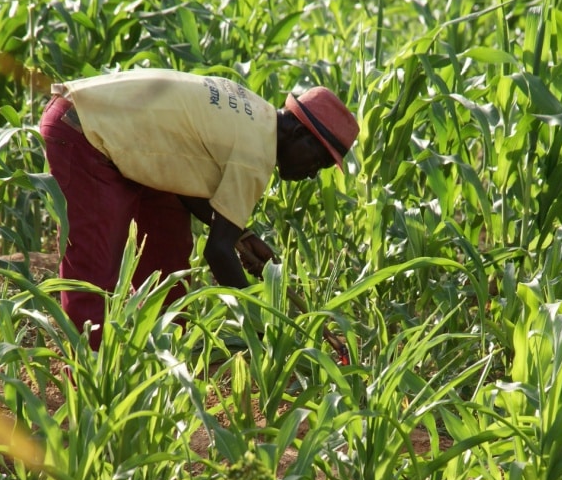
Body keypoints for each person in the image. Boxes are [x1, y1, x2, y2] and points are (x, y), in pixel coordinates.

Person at [38, 68, 359, 350]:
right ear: (301, 133)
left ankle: (159, 359)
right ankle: (90, 385)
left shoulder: (257, 114)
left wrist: (240, 236)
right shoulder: (256, 154)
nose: (312, 173)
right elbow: (217, 253)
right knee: (94, 272)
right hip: (86, 132)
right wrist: (263, 329)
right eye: (318, 160)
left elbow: (187, 176)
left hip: (131, 142)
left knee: (167, 261)